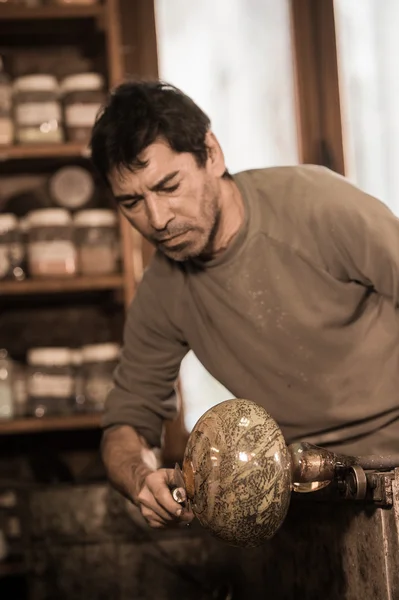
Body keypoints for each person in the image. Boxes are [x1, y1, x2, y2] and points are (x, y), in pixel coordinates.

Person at [90, 80, 399, 530]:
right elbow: (126, 423)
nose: (157, 219)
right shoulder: (161, 291)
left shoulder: (319, 205)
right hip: (305, 494)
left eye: (169, 186)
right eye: (132, 202)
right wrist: (140, 477)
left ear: (211, 154)